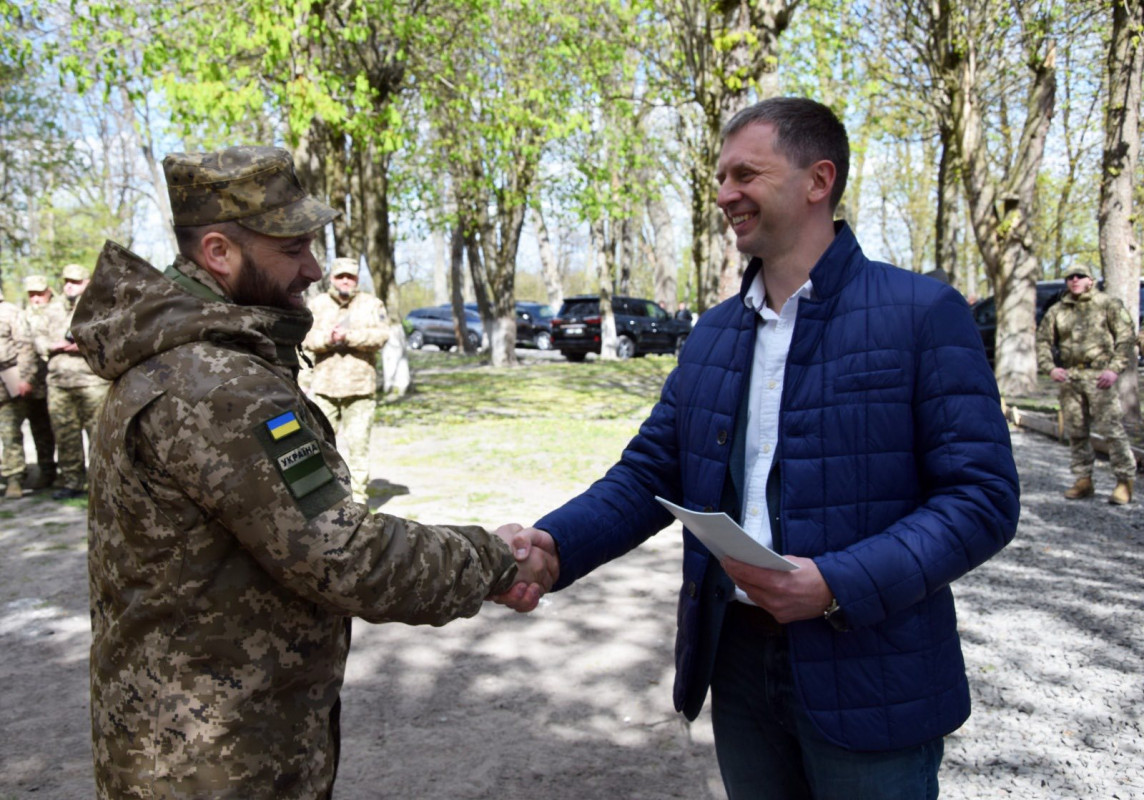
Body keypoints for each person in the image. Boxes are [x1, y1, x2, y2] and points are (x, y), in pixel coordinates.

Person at [508, 98, 1020, 799]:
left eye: (745, 173)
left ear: (818, 180)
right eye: (721, 177)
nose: (724, 195)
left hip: (872, 667)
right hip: (738, 661)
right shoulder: (714, 334)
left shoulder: (923, 314)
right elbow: (648, 474)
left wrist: (837, 583)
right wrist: (555, 546)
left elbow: (982, 500)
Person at [70, 145, 554, 800]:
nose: (315, 269)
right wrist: (494, 559)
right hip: (211, 763)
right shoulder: (214, 383)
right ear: (219, 253)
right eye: (293, 247)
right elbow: (343, 554)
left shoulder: (198, 362)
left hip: (205, 743)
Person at [1036, 264, 1137, 504]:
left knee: (1111, 430)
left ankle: (1124, 480)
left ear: (1090, 280)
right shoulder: (1058, 310)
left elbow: (1126, 337)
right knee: (1077, 432)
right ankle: (1083, 480)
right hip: (1071, 377)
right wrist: (1050, 368)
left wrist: (1114, 369)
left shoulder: (1107, 304)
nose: (1074, 280)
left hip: (1100, 377)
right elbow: (1042, 340)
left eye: (1080, 276)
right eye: (1070, 277)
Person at [303, 257, 388, 501]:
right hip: (324, 389)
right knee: (317, 446)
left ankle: (358, 501)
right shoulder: (317, 305)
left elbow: (382, 335)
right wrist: (328, 340)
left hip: (360, 389)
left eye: (350, 277)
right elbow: (306, 339)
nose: (345, 281)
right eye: (340, 276)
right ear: (331, 278)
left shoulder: (371, 304)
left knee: (358, 447)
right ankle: (322, 500)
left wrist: (350, 336)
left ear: (356, 280)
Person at [34, 263, 109, 500]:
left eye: (75, 281)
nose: (69, 285)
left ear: (86, 282)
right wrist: (51, 345)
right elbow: (36, 337)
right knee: (65, 435)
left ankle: (102, 483)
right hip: (58, 382)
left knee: (99, 435)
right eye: (66, 280)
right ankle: (72, 481)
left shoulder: (100, 305)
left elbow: (115, 337)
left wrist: (85, 345)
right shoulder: (52, 309)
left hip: (92, 382)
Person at [19, 275, 58, 490]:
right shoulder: (23, 316)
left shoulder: (59, 311)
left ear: (48, 292)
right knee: (40, 428)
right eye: (31, 294)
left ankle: (72, 473)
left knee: (63, 429)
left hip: (58, 380)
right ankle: (46, 471)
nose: (35, 298)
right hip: (35, 384)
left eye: (39, 293)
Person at [0, 286, 34, 498]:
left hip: (7, 375)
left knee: (9, 429)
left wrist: (25, 377)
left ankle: (14, 478)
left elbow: (25, 346)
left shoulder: (11, 312)